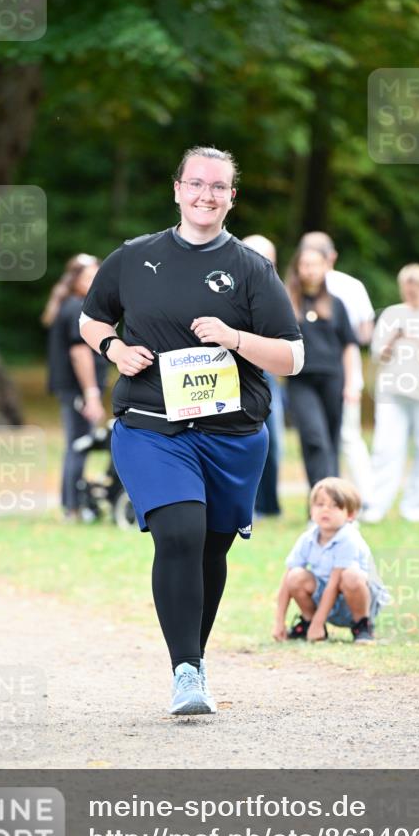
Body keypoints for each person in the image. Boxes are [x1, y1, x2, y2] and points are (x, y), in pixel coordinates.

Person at [79, 146, 304, 714]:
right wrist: (113, 347)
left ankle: (194, 660)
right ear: (177, 189)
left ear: (233, 197)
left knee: (210, 549)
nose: (207, 195)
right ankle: (185, 672)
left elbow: (293, 357)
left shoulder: (253, 269)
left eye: (219, 186)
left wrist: (235, 339)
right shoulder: (134, 257)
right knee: (178, 531)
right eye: (196, 184)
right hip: (152, 427)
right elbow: (91, 317)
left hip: (232, 435)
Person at [363, 263, 419, 523]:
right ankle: (376, 504)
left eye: (416, 287)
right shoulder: (392, 314)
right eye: (407, 287)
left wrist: (418, 340)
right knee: (386, 448)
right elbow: (377, 354)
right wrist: (393, 339)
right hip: (393, 393)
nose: (411, 293)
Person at [302, 232, 376, 507]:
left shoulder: (341, 290)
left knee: (339, 437)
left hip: (341, 371)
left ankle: (353, 498)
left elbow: (356, 338)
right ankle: (354, 497)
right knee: (343, 437)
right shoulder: (347, 286)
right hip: (329, 372)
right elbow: (365, 333)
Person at [272, 477, 388, 644]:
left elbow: (335, 583)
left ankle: (362, 626)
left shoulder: (348, 538)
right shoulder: (308, 538)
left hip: (356, 599)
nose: (326, 510)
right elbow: (287, 579)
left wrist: (320, 622)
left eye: (335, 506)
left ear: (350, 515)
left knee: (350, 575)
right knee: (295, 576)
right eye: (320, 504)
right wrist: (279, 622)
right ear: (311, 510)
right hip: (326, 597)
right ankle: (309, 623)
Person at [286, 242, 357, 489]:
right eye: (305, 265)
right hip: (300, 380)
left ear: (326, 267)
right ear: (297, 268)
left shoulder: (336, 304)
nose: (310, 270)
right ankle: (319, 494)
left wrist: (351, 384)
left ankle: (332, 500)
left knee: (332, 440)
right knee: (314, 438)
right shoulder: (287, 303)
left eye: (315, 265)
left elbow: (349, 346)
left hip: (333, 379)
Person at [42, 254, 106, 521]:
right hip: (78, 391)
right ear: (76, 280)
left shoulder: (67, 305)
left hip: (71, 391)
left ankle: (72, 505)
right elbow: (80, 354)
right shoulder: (77, 309)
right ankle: (73, 507)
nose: (95, 281)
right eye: (89, 276)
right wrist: (91, 394)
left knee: (75, 445)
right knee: (79, 445)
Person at [242, 234, 285, 518]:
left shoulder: (278, 293)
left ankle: (269, 505)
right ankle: (246, 505)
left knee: (272, 440)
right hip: (230, 372)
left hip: (266, 374)